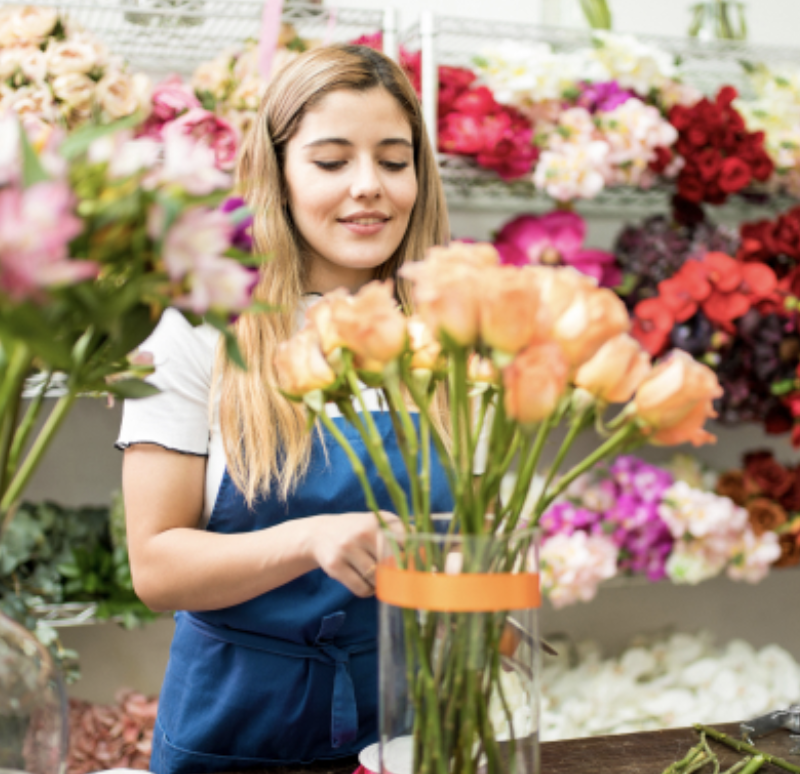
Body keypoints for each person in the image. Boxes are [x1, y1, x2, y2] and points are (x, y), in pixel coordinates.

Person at [117, 44, 454, 774]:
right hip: (236, 727)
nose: (369, 187)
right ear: (278, 172)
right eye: (332, 161)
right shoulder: (198, 329)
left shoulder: (451, 328)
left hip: (407, 721)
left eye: (395, 161)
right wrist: (312, 539)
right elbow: (156, 566)